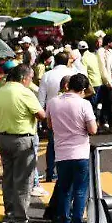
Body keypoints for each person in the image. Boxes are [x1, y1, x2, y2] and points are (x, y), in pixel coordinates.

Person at [0, 64, 47, 223]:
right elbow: (41, 115)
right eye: (30, 78)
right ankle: (20, 218)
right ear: (24, 78)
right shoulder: (24, 92)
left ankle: (9, 214)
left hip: (3, 138)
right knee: (24, 180)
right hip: (22, 139)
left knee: (8, 178)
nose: (30, 81)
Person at [45, 73, 96, 223]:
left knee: (64, 190)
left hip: (61, 153)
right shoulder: (84, 104)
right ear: (82, 89)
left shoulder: (53, 102)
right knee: (80, 191)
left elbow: (50, 125)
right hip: (80, 152)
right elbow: (93, 129)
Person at [38, 51, 73, 183]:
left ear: (55, 62)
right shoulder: (73, 73)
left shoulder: (47, 75)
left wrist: (42, 118)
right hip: (71, 113)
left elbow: (41, 98)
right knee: (68, 144)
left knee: (52, 144)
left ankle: (50, 173)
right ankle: (64, 172)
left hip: (52, 113)